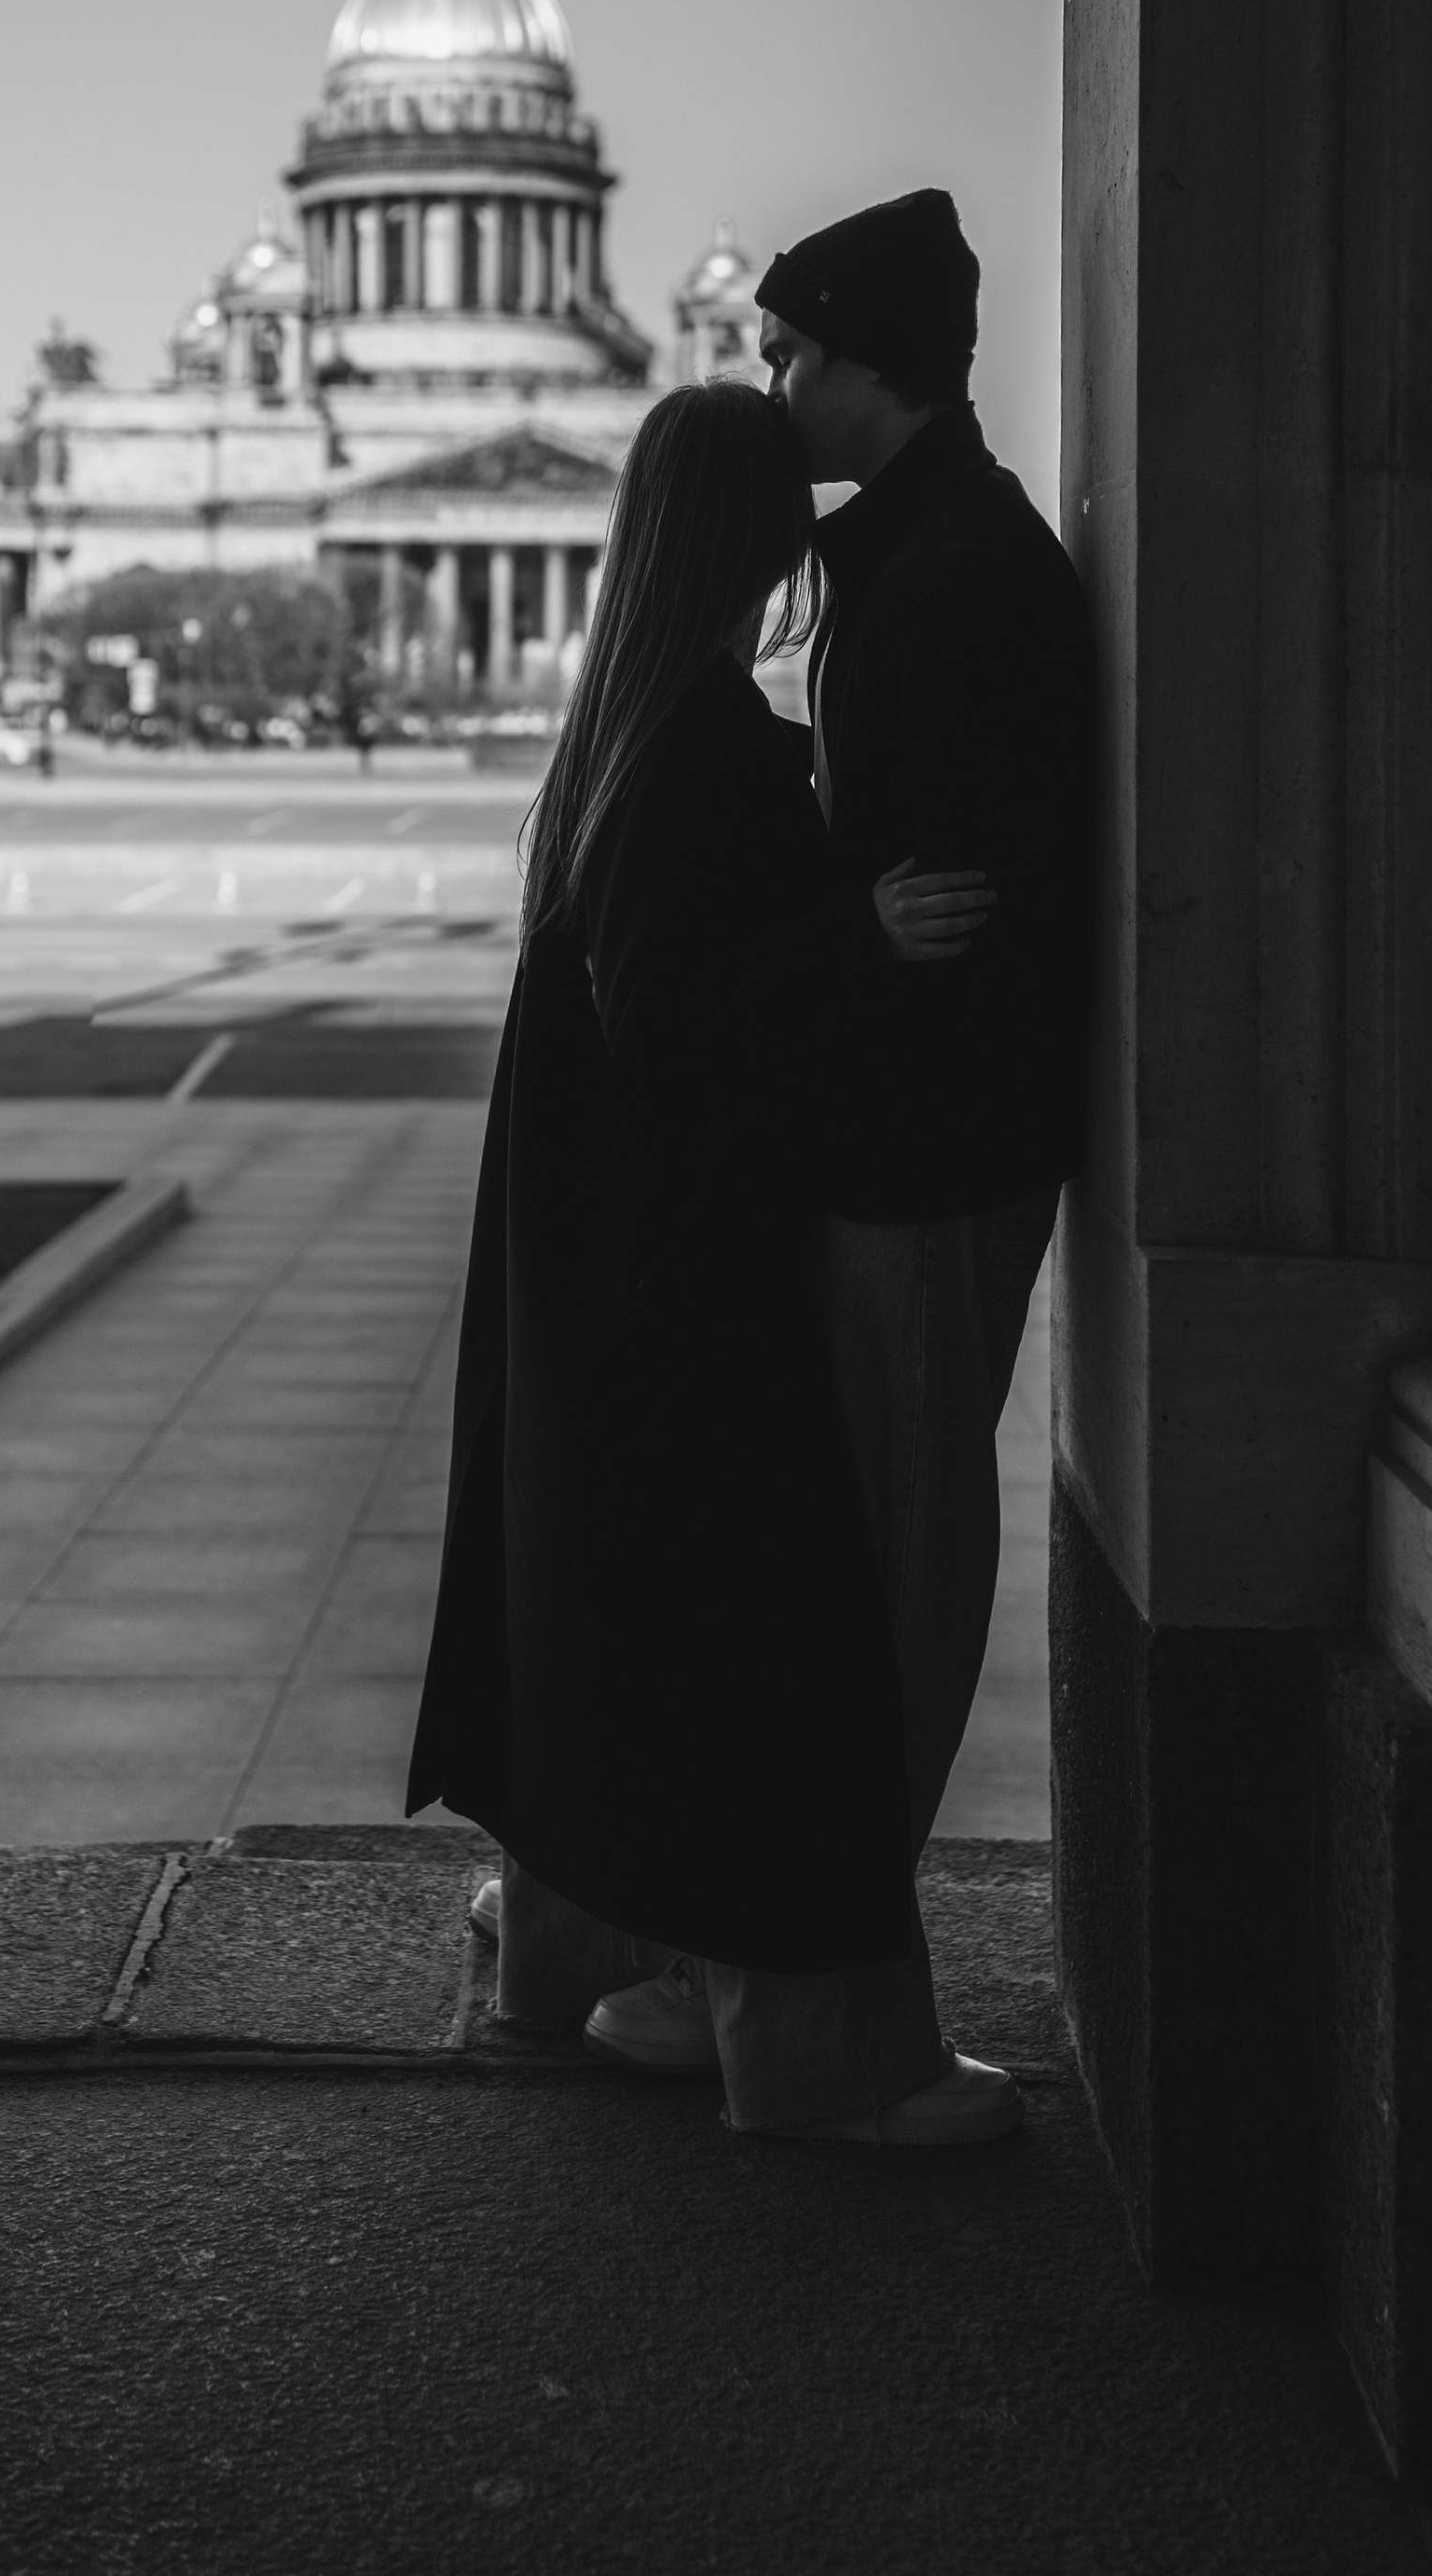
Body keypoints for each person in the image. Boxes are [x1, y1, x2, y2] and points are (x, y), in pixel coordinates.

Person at [406, 381, 1020, 2142]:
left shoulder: (612, 735)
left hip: (589, 1295)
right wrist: (863, 937)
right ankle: (814, 2053)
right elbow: (695, 1032)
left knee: (607, 1626)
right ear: (758, 541)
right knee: (776, 1660)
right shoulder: (721, 751)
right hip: (694, 1300)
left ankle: (580, 1949)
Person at [750, 182, 1095, 1853]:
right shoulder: (927, 547)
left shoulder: (946, 576)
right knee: (877, 1547)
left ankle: (822, 1958)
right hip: (921, 1136)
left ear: (870, 366)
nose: (772, 395)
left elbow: (941, 909)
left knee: (897, 1561)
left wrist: (822, 930)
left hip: (922, 1151)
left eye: (790, 356)